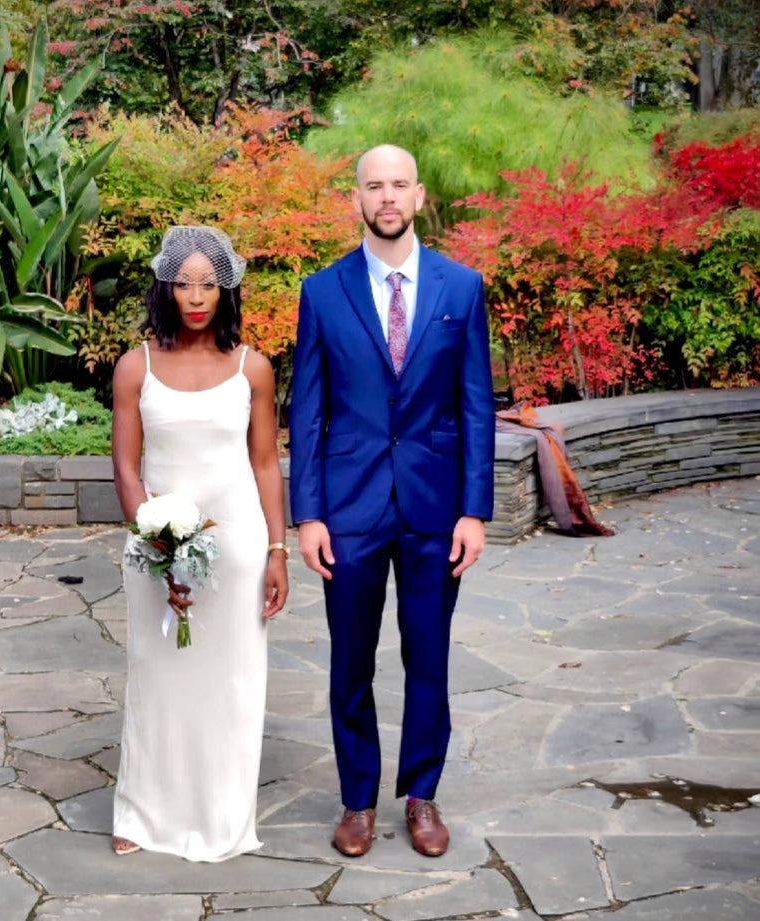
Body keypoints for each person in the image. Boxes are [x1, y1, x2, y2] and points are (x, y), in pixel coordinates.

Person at [289, 145, 495, 858]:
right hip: (348, 511)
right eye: (373, 185)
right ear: (356, 199)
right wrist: (307, 514)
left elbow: (475, 406)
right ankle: (356, 801)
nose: (386, 196)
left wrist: (474, 510)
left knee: (427, 657)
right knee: (350, 661)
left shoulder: (461, 289)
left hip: (436, 511)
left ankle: (421, 795)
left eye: (397, 185)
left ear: (418, 195)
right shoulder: (321, 293)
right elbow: (307, 413)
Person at [111, 225, 289, 862]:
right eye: (183, 283)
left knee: (230, 684)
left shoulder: (253, 369)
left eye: (208, 284)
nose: (195, 296)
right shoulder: (137, 366)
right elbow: (128, 469)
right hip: (155, 543)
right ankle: (141, 810)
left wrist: (277, 551)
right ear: (166, 287)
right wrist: (155, 542)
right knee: (157, 677)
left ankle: (221, 814)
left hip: (237, 547)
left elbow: (266, 465)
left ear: (226, 290)